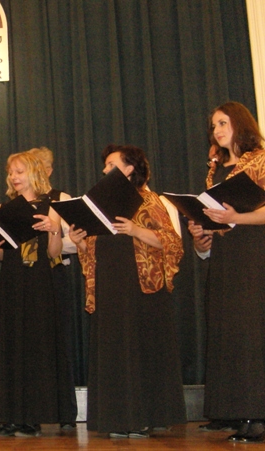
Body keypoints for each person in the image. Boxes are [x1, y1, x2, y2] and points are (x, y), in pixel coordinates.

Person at [70, 145, 185, 438]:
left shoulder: (148, 200)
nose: (104, 170)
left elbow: (172, 243)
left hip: (140, 289)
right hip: (109, 287)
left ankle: (144, 417)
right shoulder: (100, 205)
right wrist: (79, 240)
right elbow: (91, 253)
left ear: (130, 169)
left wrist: (135, 230)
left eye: (111, 164)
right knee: (115, 352)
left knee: (140, 350)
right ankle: (118, 419)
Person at [0, 151, 73, 437]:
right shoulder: (4, 207)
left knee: (35, 347)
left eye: (19, 171)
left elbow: (54, 254)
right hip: (12, 282)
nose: (14, 177)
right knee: (10, 347)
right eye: (11, 172)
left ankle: (32, 417)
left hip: (39, 283)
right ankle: (10, 416)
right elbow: (2, 254)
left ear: (34, 172)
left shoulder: (51, 205)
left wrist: (54, 230)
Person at [189, 101, 265, 442]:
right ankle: (233, 411)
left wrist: (236, 218)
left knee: (250, 334)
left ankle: (256, 415)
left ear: (240, 123)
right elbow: (215, 222)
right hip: (225, 259)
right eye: (214, 125)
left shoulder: (260, 160)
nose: (217, 130)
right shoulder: (216, 170)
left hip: (253, 256)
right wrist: (200, 235)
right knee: (228, 333)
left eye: (223, 123)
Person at [27, 147, 79, 429]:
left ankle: (65, 414)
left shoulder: (62, 199)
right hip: (27, 278)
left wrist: (52, 236)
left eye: (38, 166)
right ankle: (31, 412)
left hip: (55, 274)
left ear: (48, 170)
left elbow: (77, 241)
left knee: (60, 346)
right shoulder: (21, 201)